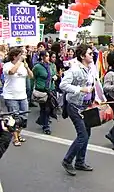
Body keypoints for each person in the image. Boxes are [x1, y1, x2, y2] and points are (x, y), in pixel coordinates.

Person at [60, 44, 95, 176]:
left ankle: (80, 162)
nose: (92, 55)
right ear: (82, 56)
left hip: (86, 106)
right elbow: (63, 85)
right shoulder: (74, 69)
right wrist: (80, 89)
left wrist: (94, 97)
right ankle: (67, 160)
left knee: (87, 134)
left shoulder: (91, 68)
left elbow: (92, 85)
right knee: (83, 135)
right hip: (75, 106)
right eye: (89, 53)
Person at [2, 47, 33, 146]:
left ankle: (18, 134)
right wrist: (19, 61)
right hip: (11, 96)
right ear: (14, 56)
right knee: (14, 118)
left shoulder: (23, 65)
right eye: (21, 54)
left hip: (22, 96)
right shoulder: (7, 65)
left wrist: (27, 67)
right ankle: (15, 138)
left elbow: (31, 76)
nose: (23, 56)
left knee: (24, 118)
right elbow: (11, 72)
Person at [33, 51, 57, 135]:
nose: (48, 57)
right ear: (42, 57)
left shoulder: (51, 65)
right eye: (46, 56)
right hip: (42, 91)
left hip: (50, 90)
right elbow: (34, 77)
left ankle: (42, 120)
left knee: (50, 108)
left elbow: (54, 74)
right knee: (45, 109)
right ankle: (46, 126)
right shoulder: (37, 67)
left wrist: (55, 77)